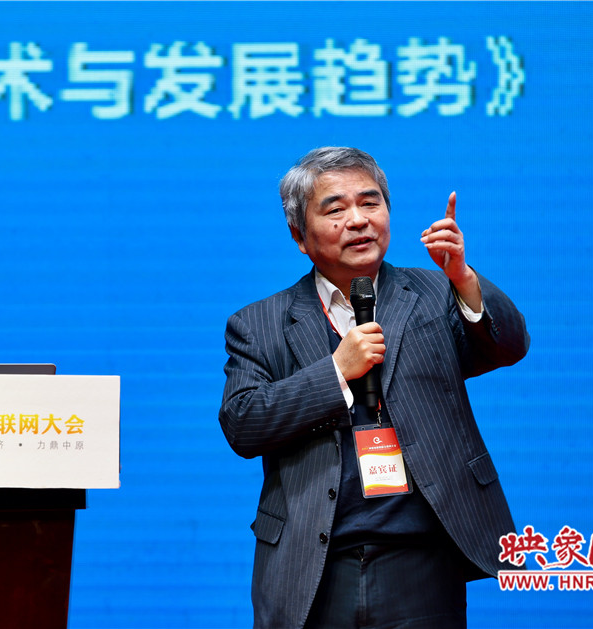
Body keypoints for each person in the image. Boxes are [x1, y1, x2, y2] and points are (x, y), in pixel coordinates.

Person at [218, 147, 530, 629]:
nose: (359, 220)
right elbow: (243, 423)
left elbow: (508, 345)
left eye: (370, 203)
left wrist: (462, 278)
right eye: (335, 209)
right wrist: (335, 371)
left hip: (422, 559)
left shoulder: (433, 293)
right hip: (315, 564)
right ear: (299, 236)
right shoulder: (259, 323)